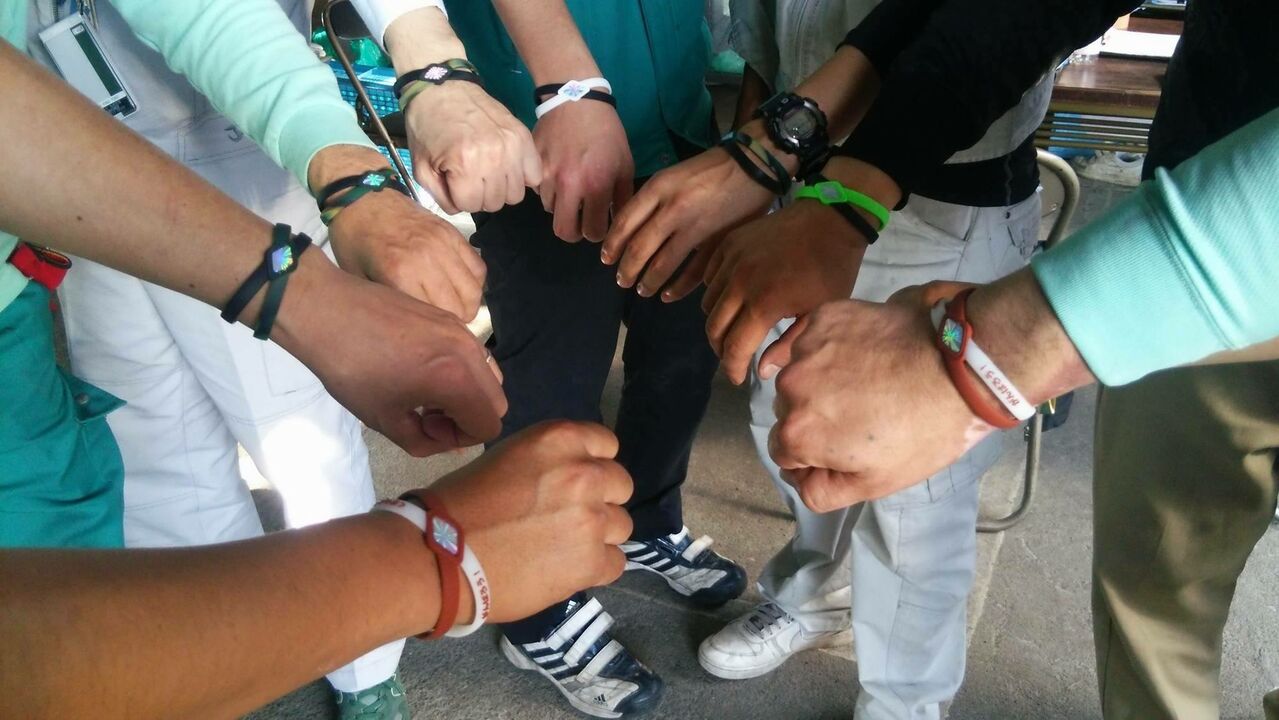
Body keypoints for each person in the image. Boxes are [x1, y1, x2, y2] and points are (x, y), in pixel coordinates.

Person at [13, 0, 520, 712]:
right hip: (61, 156)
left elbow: (207, 18)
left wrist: (414, 92)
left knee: (299, 438)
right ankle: (215, 648)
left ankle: (364, 666)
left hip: (243, 130)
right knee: (149, 434)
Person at [599, 0, 1052, 715]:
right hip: (802, 181)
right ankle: (816, 593)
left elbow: (969, 29)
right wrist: (761, 170)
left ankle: (904, 702)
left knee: (917, 498)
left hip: (943, 198)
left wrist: (824, 185)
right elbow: (763, 40)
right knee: (786, 417)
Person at [770, 105, 1279, 718]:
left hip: (1143, 239)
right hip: (1196, 191)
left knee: (924, 511)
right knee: (1158, 587)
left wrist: (997, 349)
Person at [352, 1, 747, 715]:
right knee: (550, 383)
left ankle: (649, 518)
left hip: (683, 126)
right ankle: (534, 603)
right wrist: (569, 88)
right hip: (537, 138)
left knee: (681, 355)